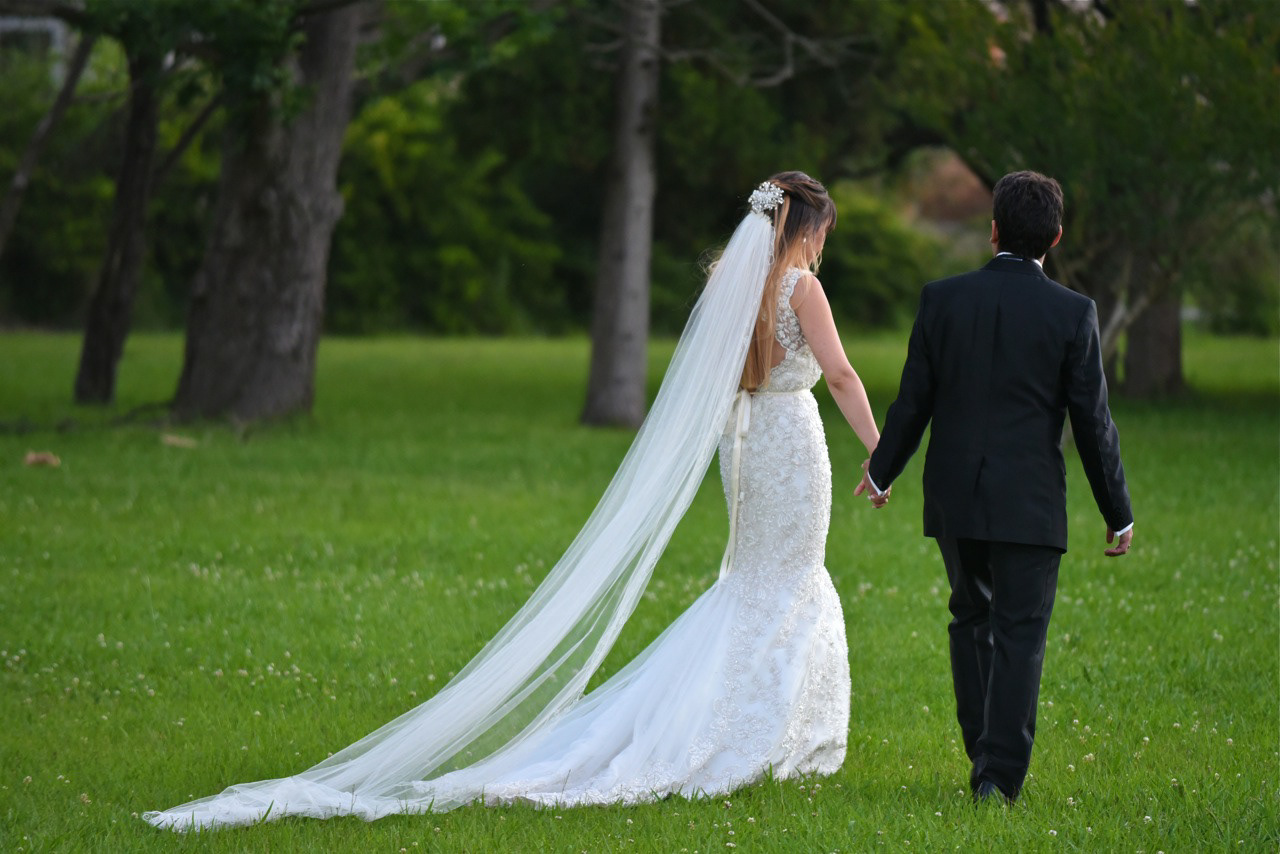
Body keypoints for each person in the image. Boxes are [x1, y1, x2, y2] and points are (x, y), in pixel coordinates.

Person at [144, 172, 882, 830]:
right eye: (822, 235)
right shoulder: (800, 288)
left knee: (755, 582)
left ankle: (758, 726)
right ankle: (768, 733)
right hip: (788, 441)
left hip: (741, 447)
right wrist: (879, 448)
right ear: (808, 229)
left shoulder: (730, 281)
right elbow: (842, 375)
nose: (821, 250)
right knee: (786, 580)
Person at [857, 170, 1133, 805]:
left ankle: (983, 753)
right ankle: (998, 779)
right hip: (1030, 503)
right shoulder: (1073, 313)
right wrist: (1117, 512)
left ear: (992, 232)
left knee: (970, 616)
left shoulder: (942, 299)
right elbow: (1092, 423)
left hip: (956, 496)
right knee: (1019, 633)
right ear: (1056, 236)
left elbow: (913, 400)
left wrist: (881, 469)